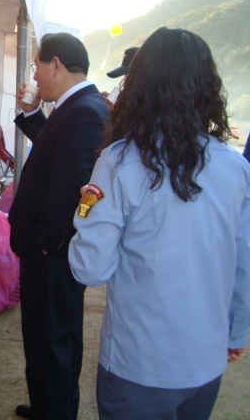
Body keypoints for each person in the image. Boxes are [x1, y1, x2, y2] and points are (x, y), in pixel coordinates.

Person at [68, 27, 250, 420]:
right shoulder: (235, 167)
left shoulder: (118, 162)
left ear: (139, 87)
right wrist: (237, 332)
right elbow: (243, 261)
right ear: (207, 87)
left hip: (139, 365)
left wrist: (86, 209)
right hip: (205, 363)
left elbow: (90, 268)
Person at [8, 32, 110, 420]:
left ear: (56, 65)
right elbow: (57, 151)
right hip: (53, 248)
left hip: (53, 251)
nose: (34, 75)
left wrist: (46, 242)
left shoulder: (84, 111)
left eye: (37, 65)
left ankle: (54, 411)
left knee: (50, 339)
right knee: (53, 337)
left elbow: (72, 186)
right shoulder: (77, 106)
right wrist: (32, 114)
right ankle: (51, 407)